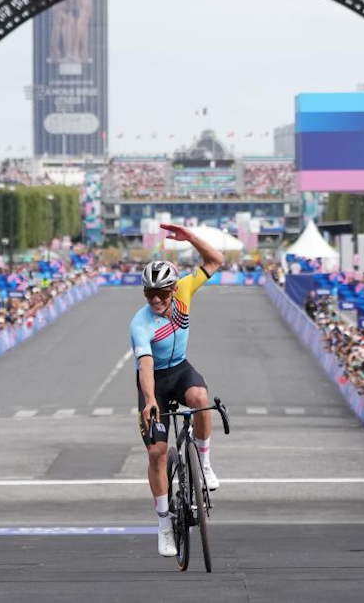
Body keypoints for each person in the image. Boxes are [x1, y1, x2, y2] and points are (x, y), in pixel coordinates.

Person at [129, 223, 223, 558]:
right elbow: (145, 367)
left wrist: (191, 238)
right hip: (155, 380)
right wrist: (151, 400)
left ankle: (206, 463)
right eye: (148, 294)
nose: (155, 300)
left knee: (200, 399)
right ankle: (164, 525)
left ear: (172, 290)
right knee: (156, 452)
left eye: (161, 294)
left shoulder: (184, 290)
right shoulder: (140, 324)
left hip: (181, 369)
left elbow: (216, 260)